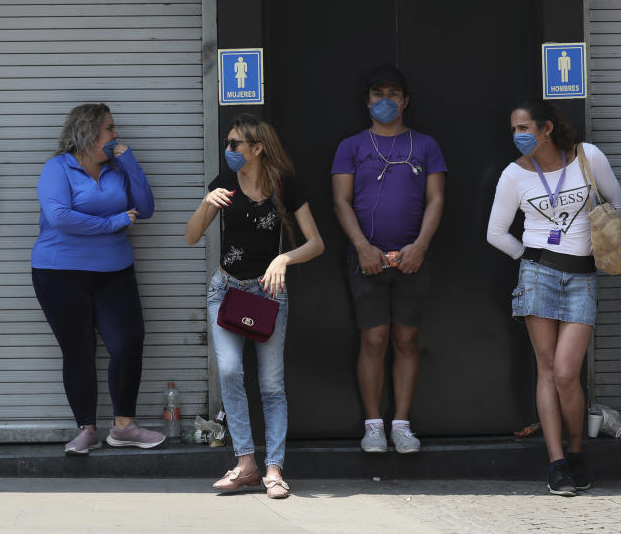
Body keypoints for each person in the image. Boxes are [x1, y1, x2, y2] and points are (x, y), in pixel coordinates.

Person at [486, 98, 621, 496]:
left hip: (583, 274)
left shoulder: (587, 157)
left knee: (567, 372)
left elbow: (618, 201)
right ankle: (557, 462)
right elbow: (495, 232)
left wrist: (601, 232)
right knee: (546, 369)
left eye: (525, 128)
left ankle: (577, 449)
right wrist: (530, 258)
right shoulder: (514, 175)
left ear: (547, 129)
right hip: (538, 273)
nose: (518, 136)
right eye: (514, 129)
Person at [185, 114, 323, 499]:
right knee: (229, 372)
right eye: (227, 143)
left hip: (267, 292)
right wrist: (204, 202)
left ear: (256, 148)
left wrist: (283, 260)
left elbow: (316, 243)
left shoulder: (284, 185)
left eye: (234, 144)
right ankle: (245, 463)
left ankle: (274, 469)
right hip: (225, 290)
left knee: (271, 385)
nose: (228, 150)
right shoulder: (224, 184)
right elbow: (192, 235)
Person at [32, 103, 163, 455]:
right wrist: (113, 223)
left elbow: (146, 208)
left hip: (114, 270)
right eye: (109, 128)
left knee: (127, 343)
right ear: (87, 132)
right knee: (78, 350)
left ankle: (124, 426)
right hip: (59, 272)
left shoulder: (119, 169)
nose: (115, 134)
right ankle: (86, 429)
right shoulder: (57, 168)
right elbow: (59, 217)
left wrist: (131, 164)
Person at [332, 64, 447, 455]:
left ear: (405, 101)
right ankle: (373, 426)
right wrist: (362, 246)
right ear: (367, 101)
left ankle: (401, 423)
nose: (385, 101)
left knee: (407, 339)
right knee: (374, 339)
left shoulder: (426, 145)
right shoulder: (351, 146)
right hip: (366, 259)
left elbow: (436, 199)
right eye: (377, 94)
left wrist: (421, 246)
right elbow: (341, 200)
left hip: (414, 259)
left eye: (392, 94)